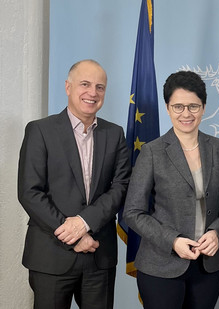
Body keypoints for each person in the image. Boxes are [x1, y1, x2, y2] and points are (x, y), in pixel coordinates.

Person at [17, 59, 131, 308]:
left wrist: (84, 221)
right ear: (68, 87)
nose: (93, 92)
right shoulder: (40, 130)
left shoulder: (115, 134)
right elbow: (30, 192)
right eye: (85, 84)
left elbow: (121, 186)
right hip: (51, 254)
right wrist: (74, 235)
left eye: (100, 87)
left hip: (99, 255)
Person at [123, 71, 219, 309]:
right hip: (161, 265)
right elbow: (132, 212)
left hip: (208, 265)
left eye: (193, 106)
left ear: (204, 108)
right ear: (167, 108)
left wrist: (218, 233)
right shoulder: (152, 152)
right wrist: (173, 241)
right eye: (178, 106)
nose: (186, 114)